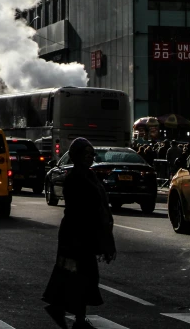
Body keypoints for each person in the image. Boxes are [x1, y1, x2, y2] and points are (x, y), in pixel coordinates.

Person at [43, 138, 116, 329]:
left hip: (84, 234)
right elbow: (82, 209)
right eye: (86, 154)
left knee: (81, 277)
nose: (91, 157)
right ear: (77, 156)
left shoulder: (89, 175)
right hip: (76, 235)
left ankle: (69, 313)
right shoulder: (76, 177)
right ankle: (76, 317)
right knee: (80, 277)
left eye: (92, 154)